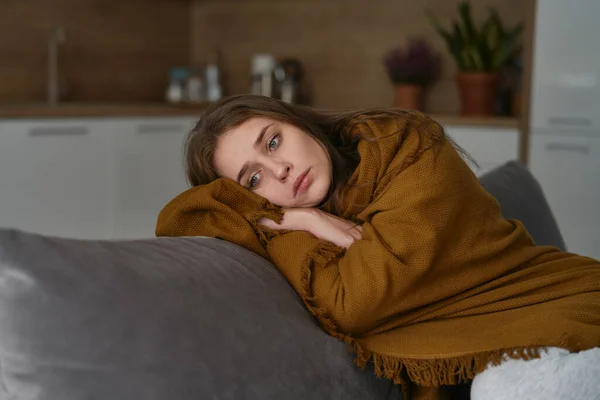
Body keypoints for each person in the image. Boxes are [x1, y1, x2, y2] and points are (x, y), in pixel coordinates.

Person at [156, 94, 600, 400]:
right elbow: (181, 217)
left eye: (273, 141)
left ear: (297, 122)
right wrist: (301, 220)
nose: (282, 170)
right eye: (253, 179)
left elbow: (357, 299)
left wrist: (299, 219)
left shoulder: (407, 145)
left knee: (509, 389)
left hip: (560, 298)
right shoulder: (295, 229)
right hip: (510, 342)